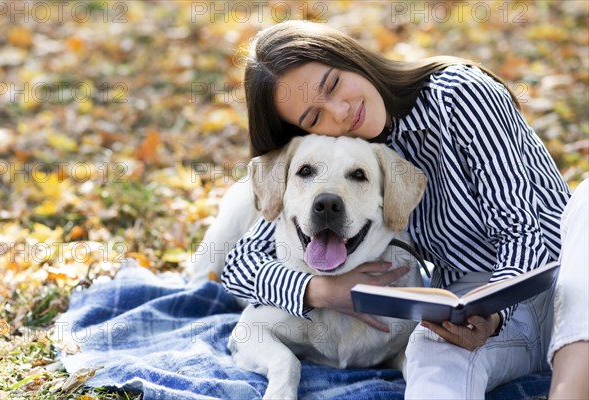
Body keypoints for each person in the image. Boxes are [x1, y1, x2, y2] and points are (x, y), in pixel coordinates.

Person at [220, 20, 587, 398]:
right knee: (430, 361)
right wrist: (321, 291)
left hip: (567, 280)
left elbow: (520, 230)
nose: (341, 111)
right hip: (476, 310)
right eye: (315, 118)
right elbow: (241, 262)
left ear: (351, 58)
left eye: (332, 85)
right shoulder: (350, 163)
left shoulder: (459, 95)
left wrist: (495, 313)